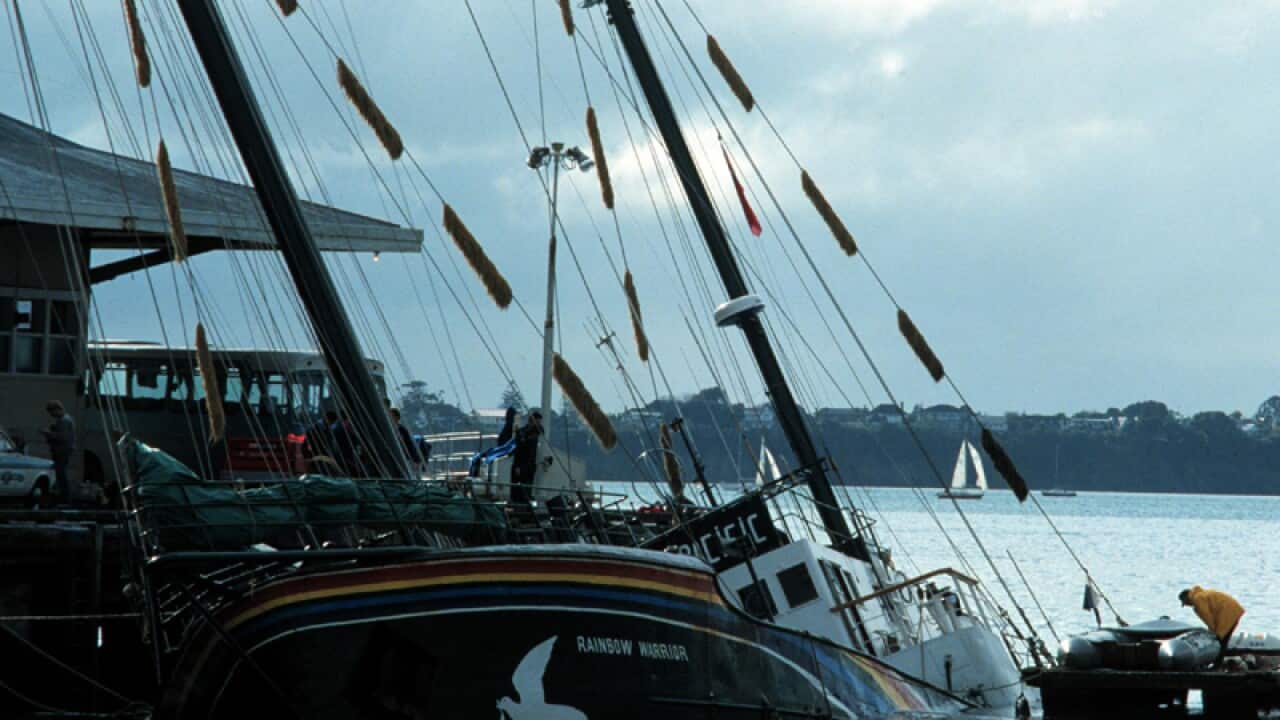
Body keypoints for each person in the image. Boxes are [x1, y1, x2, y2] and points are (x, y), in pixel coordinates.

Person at [1180, 586, 1245, 665]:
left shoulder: (1197, 600)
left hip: (1227, 613)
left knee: (1220, 642)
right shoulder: (1201, 594)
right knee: (1222, 640)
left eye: (1184, 602)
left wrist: (1213, 632)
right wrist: (1213, 631)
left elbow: (1207, 616)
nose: (1187, 605)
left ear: (1186, 598)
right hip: (1232, 610)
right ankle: (1217, 663)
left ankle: (1217, 665)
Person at [41, 400, 76, 505]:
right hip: (63, 450)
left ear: (57, 409)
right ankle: (64, 497)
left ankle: (65, 498)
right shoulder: (66, 420)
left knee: (61, 475)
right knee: (61, 474)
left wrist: (48, 433)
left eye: (52, 412)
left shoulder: (64, 421)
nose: (52, 415)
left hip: (61, 451)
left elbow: (62, 437)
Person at [509, 411, 543, 504]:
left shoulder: (537, 432)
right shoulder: (522, 432)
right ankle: (519, 503)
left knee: (528, 487)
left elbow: (541, 431)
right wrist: (517, 466)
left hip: (531, 465)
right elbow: (518, 450)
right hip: (522, 464)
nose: (539, 424)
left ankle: (526, 501)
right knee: (519, 488)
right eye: (538, 421)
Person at [389, 408, 422, 474]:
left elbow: (409, 445)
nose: (389, 418)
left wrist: (415, 460)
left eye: (391, 416)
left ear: (397, 418)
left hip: (405, 458)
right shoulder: (389, 430)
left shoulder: (402, 430)